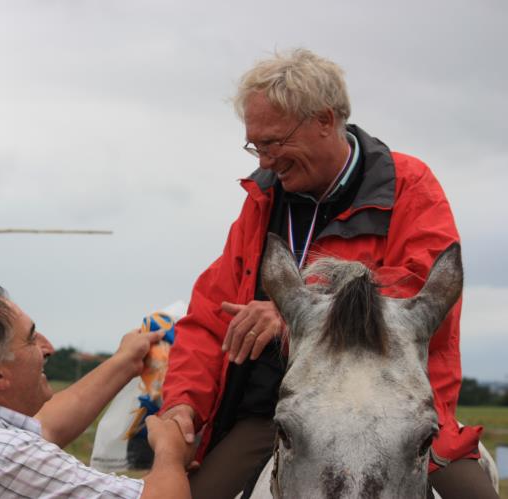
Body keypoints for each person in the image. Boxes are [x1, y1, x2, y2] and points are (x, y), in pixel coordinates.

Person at [160, 48, 497, 499]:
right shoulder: (261, 201)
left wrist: (301, 313)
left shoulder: (409, 186)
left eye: (274, 143)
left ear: (324, 120)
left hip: (393, 411)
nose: (264, 161)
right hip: (277, 413)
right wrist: (183, 404)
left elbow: (421, 291)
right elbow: (210, 316)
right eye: (256, 145)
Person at [0, 282, 192, 499]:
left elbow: (48, 426)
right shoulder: (7, 457)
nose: (48, 348)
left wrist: (124, 363)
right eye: (30, 339)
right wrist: (170, 451)